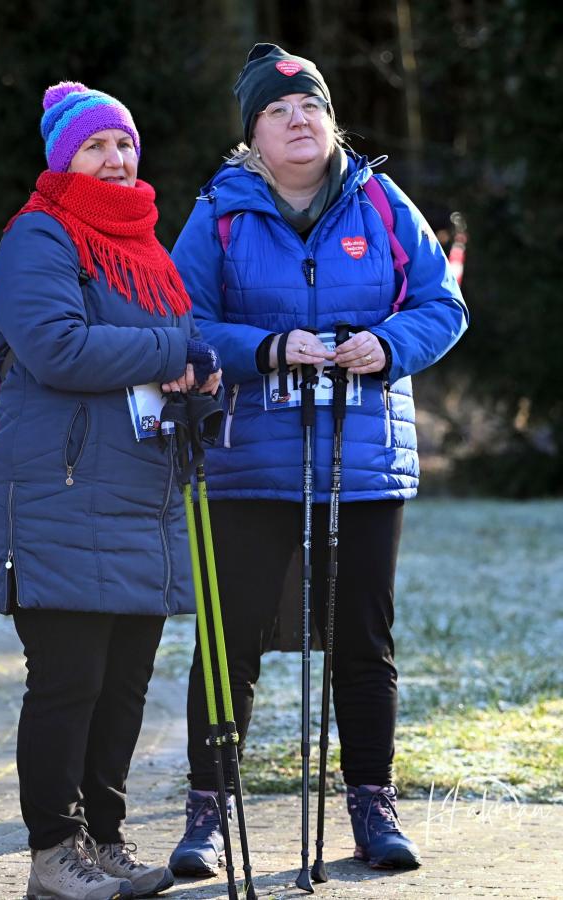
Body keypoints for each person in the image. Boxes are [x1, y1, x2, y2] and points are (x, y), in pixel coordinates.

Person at [168, 44, 469, 876]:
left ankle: (373, 804)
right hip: (249, 460)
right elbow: (183, 320)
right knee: (229, 637)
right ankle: (208, 811)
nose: (298, 120)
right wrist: (265, 348)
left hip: (364, 457)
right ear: (253, 135)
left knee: (362, 637)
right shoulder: (220, 212)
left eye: (311, 106)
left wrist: (388, 344)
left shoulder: (380, 201)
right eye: (277, 110)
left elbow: (442, 304)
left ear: (331, 120)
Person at [0, 80, 220, 900]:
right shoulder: (39, 235)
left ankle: (105, 841)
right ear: (64, 159)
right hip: (61, 493)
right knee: (67, 682)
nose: (115, 159)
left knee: (122, 686)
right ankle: (54, 854)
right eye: (95, 146)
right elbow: (57, 346)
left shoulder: (147, 249)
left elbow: (181, 349)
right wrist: (173, 353)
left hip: (143, 497)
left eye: (124, 144)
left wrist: (201, 379)